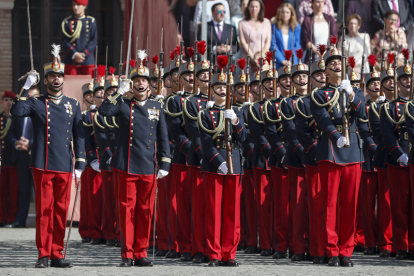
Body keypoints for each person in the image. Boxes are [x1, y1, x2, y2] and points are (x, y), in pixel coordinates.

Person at [11, 44, 85, 268]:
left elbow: (79, 135)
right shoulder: (36, 102)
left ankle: (57, 253)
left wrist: (80, 161)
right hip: (42, 162)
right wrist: (25, 87)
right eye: (51, 76)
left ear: (63, 78)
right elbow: (16, 111)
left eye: (59, 76)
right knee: (44, 211)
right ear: (45, 80)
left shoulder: (73, 105)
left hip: (63, 163)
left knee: (60, 211)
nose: (56, 79)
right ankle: (43, 254)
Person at [99, 52, 170, 267]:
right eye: (137, 80)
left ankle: (141, 252)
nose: (140, 84)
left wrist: (165, 162)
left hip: (148, 164)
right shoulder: (123, 105)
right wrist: (118, 93)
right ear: (132, 83)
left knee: (145, 210)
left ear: (149, 84)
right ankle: (127, 254)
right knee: (126, 210)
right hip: (126, 164)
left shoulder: (157, 106)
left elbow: (163, 136)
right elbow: (104, 111)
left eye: (144, 80)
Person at [310, 41, 366, 267]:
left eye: (339, 63)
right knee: (330, 203)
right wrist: (335, 136)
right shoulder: (319, 94)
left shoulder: (355, 90)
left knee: (350, 203)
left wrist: (351, 94)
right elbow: (322, 119)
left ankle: (346, 250)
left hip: (352, 149)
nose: (336, 66)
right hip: (332, 149)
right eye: (332, 63)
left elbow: (362, 113)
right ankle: (332, 250)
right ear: (325, 70)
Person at [198, 56, 247, 267]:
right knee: (214, 211)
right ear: (212, 90)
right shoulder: (205, 114)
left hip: (234, 162)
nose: (222, 91)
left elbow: (243, 138)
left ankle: (230, 253)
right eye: (218, 87)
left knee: (232, 212)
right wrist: (219, 162)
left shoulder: (237, 111)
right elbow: (206, 143)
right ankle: (214, 253)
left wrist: (235, 121)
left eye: (225, 88)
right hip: (215, 165)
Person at [381, 51, 414, 260]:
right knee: (400, 205)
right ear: (398, 84)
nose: (408, 83)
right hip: (399, 159)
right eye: (404, 80)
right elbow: (387, 134)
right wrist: (399, 154)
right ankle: (402, 246)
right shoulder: (390, 107)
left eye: (410, 80)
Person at [294, 55, 326, 264]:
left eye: (324, 73)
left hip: (337, 157)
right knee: (313, 207)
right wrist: (317, 152)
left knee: (333, 207)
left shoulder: (337, 96)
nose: (322, 77)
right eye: (317, 74)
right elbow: (301, 133)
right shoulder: (304, 102)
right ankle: (317, 250)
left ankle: (333, 249)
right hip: (315, 156)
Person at [279, 52, 309, 262]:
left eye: (304, 75)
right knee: (298, 207)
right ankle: (298, 248)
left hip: (318, 157)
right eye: (297, 76)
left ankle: (315, 247)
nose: (300, 79)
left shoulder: (317, 98)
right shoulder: (288, 102)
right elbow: (289, 132)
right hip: (299, 158)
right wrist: (305, 152)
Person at [182, 47, 211, 263]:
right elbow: (194, 131)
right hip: (200, 158)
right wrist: (205, 155)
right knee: (200, 207)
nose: (206, 80)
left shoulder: (223, 102)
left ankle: (214, 248)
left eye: (209, 77)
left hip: (222, 161)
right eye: (202, 77)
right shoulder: (191, 102)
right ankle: (198, 248)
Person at [165, 55, 194, 262]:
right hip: (183, 156)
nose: (191, 78)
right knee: (180, 205)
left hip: (208, 158)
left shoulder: (208, 99)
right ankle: (181, 244)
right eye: (185, 75)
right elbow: (174, 131)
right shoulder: (173, 101)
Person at [263, 51, 292, 259]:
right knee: (281, 206)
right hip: (281, 158)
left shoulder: (305, 101)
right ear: (278, 84)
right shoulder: (272, 105)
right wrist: (283, 154)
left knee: (301, 205)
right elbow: (271, 132)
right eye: (284, 80)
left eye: (291, 79)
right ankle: (281, 245)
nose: (288, 83)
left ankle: (300, 244)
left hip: (303, 157)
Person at [366, 55, 394, 257]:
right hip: (368, 158)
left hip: (386, 156)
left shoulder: (392, 107)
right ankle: (368, 241)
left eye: (379, 83)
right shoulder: (366, 106)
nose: (377, 87)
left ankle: (386, 243)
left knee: (386, 202)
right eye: (373, 84)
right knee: (367, 205)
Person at [248, 64, 275, 257]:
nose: (270, 86)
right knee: (263, 205)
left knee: (283, 205)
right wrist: (273, 151)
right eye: (266, 83)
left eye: (273, 82)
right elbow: (257, 134)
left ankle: (283, 243)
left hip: (284, 159)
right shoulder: (255, 108)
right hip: (263, 159)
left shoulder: (285, 105)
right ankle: (266, 243)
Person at [4, 87, 38, 228]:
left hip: (36, 156)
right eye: (28, 96)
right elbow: (10, 133)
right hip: (21, 157)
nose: (30, 98)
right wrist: (16, 142)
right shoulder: (19, 113)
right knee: (23, 190)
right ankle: (20, 220)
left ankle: (41, 221)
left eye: (33, 96)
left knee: (38, 191)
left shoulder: (40, 113)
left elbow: (44, 134)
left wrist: (30, 143)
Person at [232, 60, 257, 254]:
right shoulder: (230, 108)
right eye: (238, 87)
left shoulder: (252, 108)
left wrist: (251, 153)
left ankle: (250, 238)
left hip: (250, 158)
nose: (242, 90)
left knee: (251, 204)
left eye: (244, 87)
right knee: (236, 204)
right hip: (233, 158)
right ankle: (237, 239)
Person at [61, 0, 97, 76]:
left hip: (87, 60)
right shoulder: (67, 22)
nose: (75, 7)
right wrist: (75, 54)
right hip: (71, 59)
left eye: (78, 5)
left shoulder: (91, 21)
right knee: (70, 85)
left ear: (85, 6)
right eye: (74, 5)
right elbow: (65, 42)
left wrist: (83, 54)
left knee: (89, 85)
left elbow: (93, 40)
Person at [0, 91, 19, 227]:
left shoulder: (18, 118)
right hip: (2, 160)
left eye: (11, 100)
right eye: (6, 100)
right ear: (2, 102)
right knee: (2, 191)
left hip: (14, 160)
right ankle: (1, 218)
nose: (9, 103)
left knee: (14, 192)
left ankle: (12, 218)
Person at [239, 0, 272, 72]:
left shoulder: (266, 22)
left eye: (256, 6)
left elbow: (268, 42)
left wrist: (260, 56)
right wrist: (252, 57)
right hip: (247, 55)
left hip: (263, 55)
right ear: (248, 7)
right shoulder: (242, 23)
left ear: (260, 8)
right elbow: (243, 42)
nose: (254, 9)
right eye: (252, 6)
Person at [270, 3, 301, 69]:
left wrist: (291, 60)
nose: (285, 14)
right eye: (283, 12)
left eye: (287, 12)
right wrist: (282, 61)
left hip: (293, 63)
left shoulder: (297, 27)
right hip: (279, 63)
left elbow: (297, 46)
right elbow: (273, 46)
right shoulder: (274, 27)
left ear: (291, 14)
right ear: (279, 13)